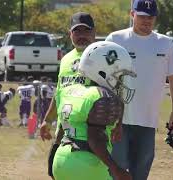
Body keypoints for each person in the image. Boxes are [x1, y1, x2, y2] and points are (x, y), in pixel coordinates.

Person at [105, 0, 173, 179]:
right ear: (132, 14)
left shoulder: (165, 43)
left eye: (151, 17)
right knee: (117, 170)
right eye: (142, 16)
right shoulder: (115, 39)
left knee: (141, 173)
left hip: (149, 121)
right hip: (118, 120)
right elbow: (102, 75)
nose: (146, 21)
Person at [52, 41, 135, 180]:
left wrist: (53, 153)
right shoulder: (102, 97)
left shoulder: (70, 89)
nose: (121, 80)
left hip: (61, 159)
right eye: (119, 74)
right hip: (87, 164)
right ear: (103, 70)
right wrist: (116, 169)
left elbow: (62, 127)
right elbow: (95, 139)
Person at [39, 12, 95, 178]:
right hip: (64, 133)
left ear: (94, 32)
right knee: (56, 172)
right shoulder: (66, 59)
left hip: (91, 134)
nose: (81, 36)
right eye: (77, 31)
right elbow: (59, 93)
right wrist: (47, 120)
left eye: (86, 31)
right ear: (70, 34)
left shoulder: (101, 57)